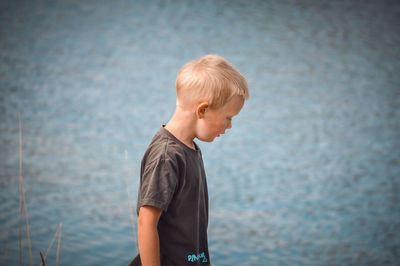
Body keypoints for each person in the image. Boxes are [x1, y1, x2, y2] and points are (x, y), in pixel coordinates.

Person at [129, 54, 249, 266]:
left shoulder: (190, 149)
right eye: (228, 117)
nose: (229, 126)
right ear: (202, 110)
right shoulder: (167, 156)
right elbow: (146, 222)